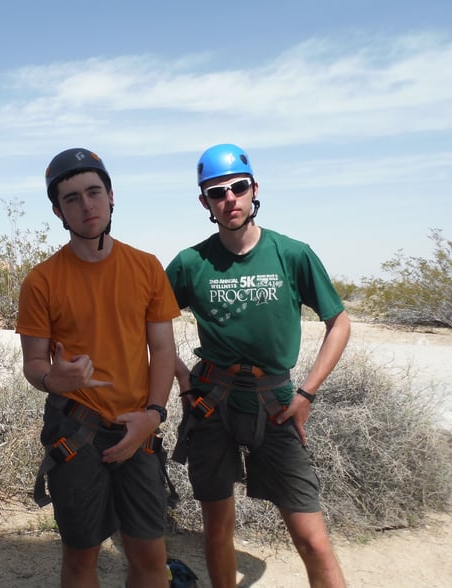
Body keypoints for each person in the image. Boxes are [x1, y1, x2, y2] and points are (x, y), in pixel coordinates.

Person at [166, 143, 350, 588]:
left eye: (238, 187)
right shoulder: (192, 263)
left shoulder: (292, 254)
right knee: (217, 530)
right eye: (216, 192)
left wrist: (306, 393)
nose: (229, 198)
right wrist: (184, 380)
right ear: (204, 202)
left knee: (312, 540)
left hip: (277, 404)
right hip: (212, 403)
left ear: (254, 189)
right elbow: (146, 326)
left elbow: (338, 321)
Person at [16, 148, 181, 588]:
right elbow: (33, 364)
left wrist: (153, 415)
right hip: (76, 429)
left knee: (149, 556)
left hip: (138, 427)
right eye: (72, 198)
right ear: (58, 211)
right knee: (81, 557)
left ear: (111, 197)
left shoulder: (146, 267)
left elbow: (163, 350)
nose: (86, 205)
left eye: (94, 192)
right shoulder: (42, 280)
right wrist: (54, 378)